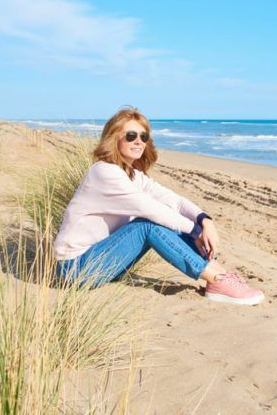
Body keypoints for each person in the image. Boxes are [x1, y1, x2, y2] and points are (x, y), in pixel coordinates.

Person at [53, 106, 264, 305]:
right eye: (130, 136)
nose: (138, 142)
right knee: (148, 224)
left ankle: (220, 275)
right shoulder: (104, 172)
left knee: (166, 218)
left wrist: (204, 220)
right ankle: (216, 278)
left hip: (101, 261)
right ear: (113, 138)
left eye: (143, 137)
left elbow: (173, 201)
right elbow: (152, 210)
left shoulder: (133, 175)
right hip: (75, 270)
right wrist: (196, 232)